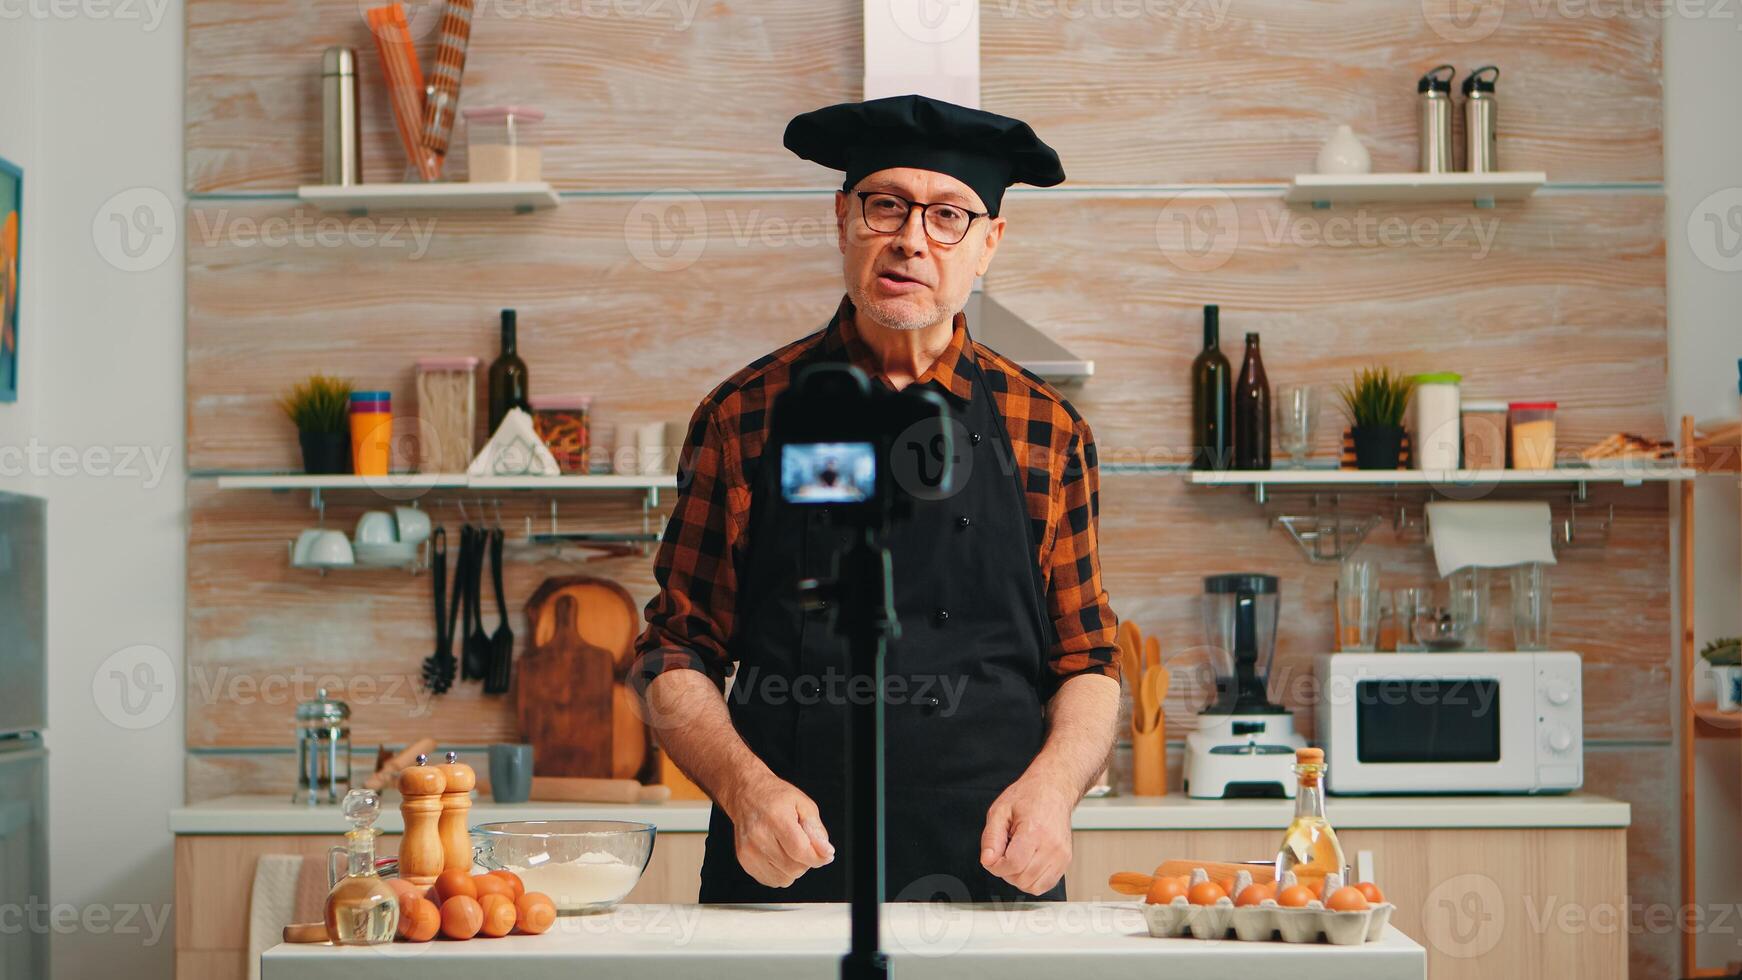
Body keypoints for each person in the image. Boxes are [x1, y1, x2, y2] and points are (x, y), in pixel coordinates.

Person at [632, 94, 1121, 903]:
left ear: (989, 244)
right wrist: (745, 792)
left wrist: (1054, 792)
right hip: (785, 875)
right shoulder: (744, 417)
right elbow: (674, 652)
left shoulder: (1049, 430)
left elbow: (1089, 662)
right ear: (843, 218)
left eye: (949, 216)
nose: (909, 239)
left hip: (992, 873)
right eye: (885, 205)